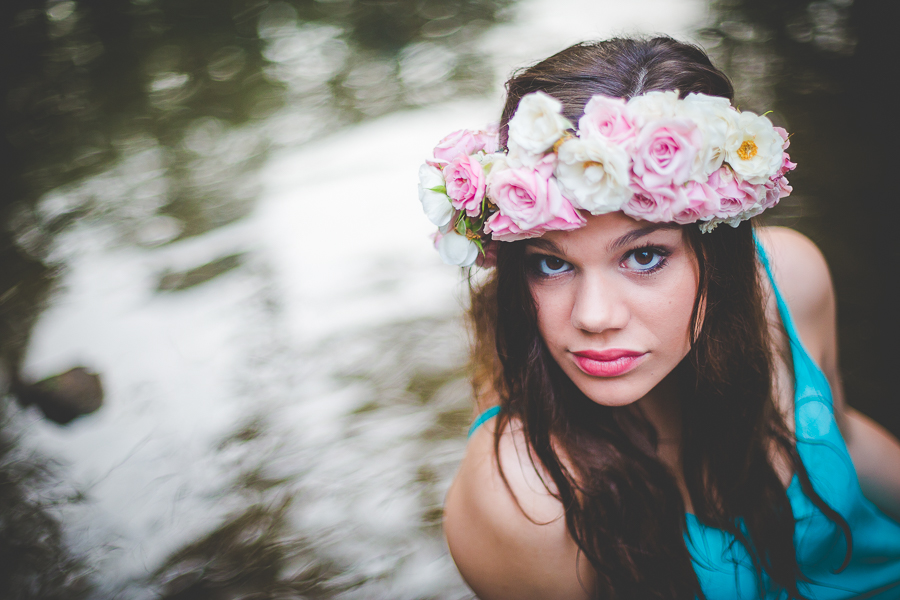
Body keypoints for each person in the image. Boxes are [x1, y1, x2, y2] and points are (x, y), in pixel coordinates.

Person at [417, 37, 900, 599]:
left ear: (717, 254)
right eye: (551, 263)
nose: (594, 317)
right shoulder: (525, 499)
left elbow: (840, 433)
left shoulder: (790, 278)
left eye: (644, 256)